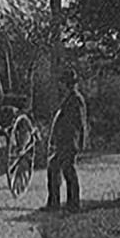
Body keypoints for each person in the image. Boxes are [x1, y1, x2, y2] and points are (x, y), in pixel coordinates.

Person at [43, 68, 87, 213]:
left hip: (70, 141)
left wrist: (80, 142)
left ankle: (72, 204)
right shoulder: (69, 98)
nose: (61, 86)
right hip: (64, 141)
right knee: (55, 168)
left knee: (67, 170)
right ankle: (56, 203)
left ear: (68, 84)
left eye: (63, 83)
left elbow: (80, 123)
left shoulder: (76, 99)